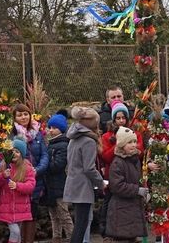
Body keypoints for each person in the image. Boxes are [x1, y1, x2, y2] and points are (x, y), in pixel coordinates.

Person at [100, 100, 145, 237]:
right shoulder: (108, 137)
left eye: (123, 117)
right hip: (113, 179)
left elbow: (140, 152)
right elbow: (106, 156)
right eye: (118, 118)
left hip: (131, 191)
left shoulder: (133, 136)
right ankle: (105, 232)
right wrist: (118, 143)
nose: (121, 120)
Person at [63, 107, 106, 243]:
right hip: (83, 187)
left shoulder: (73, 138)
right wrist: (101, 182)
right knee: (81, 225)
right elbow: (89, 168)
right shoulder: (88, 141)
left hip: (73, 183)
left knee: (79, 223)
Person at [11, 103, 48, 243]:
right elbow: (11, 157)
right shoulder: (12, 134)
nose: (23, 117)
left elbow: (45, 155)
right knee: (20, 215)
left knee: (32, 214)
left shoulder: (37, 133)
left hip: (36, 180)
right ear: (14, 117)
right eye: (19, 115)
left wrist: (37, 170)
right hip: (20, 180)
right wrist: (25, 171)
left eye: (26, 114)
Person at [104, 127, 148, 241]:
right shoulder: (118, 162)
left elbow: (138, 179)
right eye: (129, 142)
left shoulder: (135, 160)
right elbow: (116, 186)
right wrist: (137, 190)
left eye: (134, 141)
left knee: (132, 237)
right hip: (121, 210)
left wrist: (143, 190)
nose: (133, 145)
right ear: (122, 144)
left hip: (133, 207)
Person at [0, 137, 36, 243]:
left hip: (21, 208)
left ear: (22, 154)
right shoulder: (3, 166)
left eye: (17, 151)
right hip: (7, 208)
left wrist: (17, 186)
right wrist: (3, 176)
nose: (14, 154)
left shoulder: (27, 168)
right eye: (12, 151)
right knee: (15, 231)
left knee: (18, 233)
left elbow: (30, 186)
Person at [45, 112, 74, 242]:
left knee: (63, 214)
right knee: (53, 214)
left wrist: (45, 164)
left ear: (61, 129)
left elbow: (58, 165)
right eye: (50, 127)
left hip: (60, 185)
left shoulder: (63, 145)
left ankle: (71, 237)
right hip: (51, 185)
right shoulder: (51, 144)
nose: (51, 130)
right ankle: (56, 237)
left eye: (54, 128)